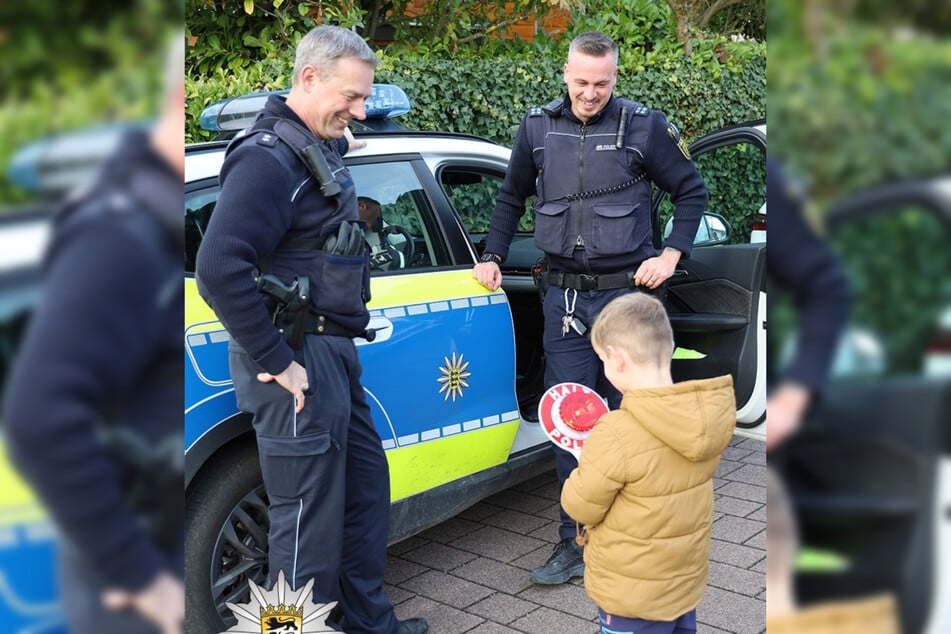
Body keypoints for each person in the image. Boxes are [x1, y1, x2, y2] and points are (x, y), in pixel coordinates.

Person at [194, 26, 427, 634]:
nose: (359, 111)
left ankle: (364, 623)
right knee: (303, 528)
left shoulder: (308, 145)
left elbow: (309, 216)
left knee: (363, 494)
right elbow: (219, 268)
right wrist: (277, 359)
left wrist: (337, 135)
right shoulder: (267, 158)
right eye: (350, 98)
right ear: (308, 78)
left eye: (362, 100)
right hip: (294, 358)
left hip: (330, 351)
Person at [472, 30, 707, 585]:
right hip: (566, 301)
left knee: (639, 421)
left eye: (601, 83)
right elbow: (510, 197)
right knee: (570, 421)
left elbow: (691, 190)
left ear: (615, 77)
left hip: (629, 297)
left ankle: (642, 533)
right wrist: (491, 255)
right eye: (580, 82)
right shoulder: (536, 128)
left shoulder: (644, 126)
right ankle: (574, 541)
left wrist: (673, 252)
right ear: (565, 73)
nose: (590, 93)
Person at [2, 33, 186, 634]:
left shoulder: (150, 218)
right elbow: (36, 417)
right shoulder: (120, 237)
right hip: (129, 575)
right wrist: (137, 574)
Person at [560, 292, 735, 634]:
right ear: (668, 350)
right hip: (682, 587)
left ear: (618, 359)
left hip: (632, 597)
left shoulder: (616, 431)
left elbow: (582, 506)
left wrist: (581, 468)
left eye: (603, 361)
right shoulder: (698, 421)